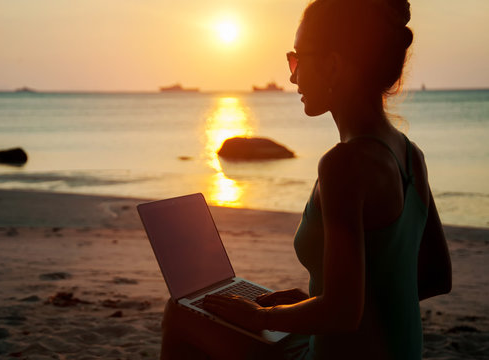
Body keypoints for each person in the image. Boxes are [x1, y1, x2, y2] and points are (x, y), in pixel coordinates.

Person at [161, 0, 452, 359]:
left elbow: (344, 314)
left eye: (297, 59)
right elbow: (436, 276)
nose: (292, 76)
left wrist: (264, 316)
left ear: (331, 64)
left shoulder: (344, 164)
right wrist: (320, 302)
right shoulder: (411, 156)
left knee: (181, 313)